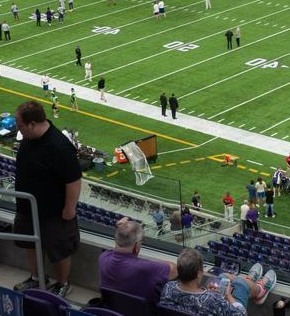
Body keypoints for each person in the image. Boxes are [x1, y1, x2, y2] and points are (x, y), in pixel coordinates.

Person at [12, 101, 82, 296]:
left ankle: (63, 283)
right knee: (30, 244)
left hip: (53, 211)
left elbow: (74, 180)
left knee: (59, 249)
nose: (18, 129)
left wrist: (69, 209)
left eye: (20, 125)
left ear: (32, 123)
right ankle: (37, 278)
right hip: (28, 206)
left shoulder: (59, 146)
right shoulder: (29, 138)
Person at [159, 249, 275, 314]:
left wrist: (208, 293)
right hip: (218, 305)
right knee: (240, 283)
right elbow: (241, 314)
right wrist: (228, 296)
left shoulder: (168, 288)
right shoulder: (212, 299)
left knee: (223, 276)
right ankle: (260, 290)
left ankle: (250, 281)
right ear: (199, 273)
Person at [98, 217, 178, 305]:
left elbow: (116, 249)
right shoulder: (146, 268)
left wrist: (121, 231)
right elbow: (174, 270)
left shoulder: (104, 257)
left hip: (110, 310)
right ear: (136, 246)